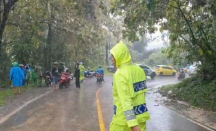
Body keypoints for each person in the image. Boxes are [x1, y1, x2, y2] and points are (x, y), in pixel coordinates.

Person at [109, 41, 150, 131]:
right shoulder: (140, 70)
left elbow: (125, 101)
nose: (112, 59)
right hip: (141, 118)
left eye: (113, 56)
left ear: (120, 55)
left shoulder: (120, 74)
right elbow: (143, 95)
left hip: (123, 122)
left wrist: (133, 125)